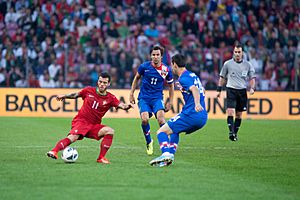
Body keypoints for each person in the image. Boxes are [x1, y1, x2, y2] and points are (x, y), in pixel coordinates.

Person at [46, 72, 133, 164]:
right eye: (100, 82)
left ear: (108, 84)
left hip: (94, 125)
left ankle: (101, 158)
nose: (102, 84)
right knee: (73, 137)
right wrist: (64, 96)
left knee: (110, 131)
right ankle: (54, 151)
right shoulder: (88, 90)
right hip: (81, 121)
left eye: (104, 83)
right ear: (97, 82)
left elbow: (121, 105)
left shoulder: (111, 98)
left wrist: (127, 106)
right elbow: (75, 95)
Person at [149, 54, 208, 167]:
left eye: (172, 64)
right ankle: (170, 154)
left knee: (161, 131)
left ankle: (165, 154)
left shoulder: (183, 78)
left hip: (191, 114)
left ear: (175, 64)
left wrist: (196, 103)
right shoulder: (193, 75)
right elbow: (202, 90)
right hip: (202, 117)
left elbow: (195, 90)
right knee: (174, 130)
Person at [129, 45, 174, 155]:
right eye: (153, 55)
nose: (155, 57)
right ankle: (149, 141)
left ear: (161, 56)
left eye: (157, 55)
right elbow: (136, 78)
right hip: (144, 98)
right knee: (144, 119)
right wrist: (131, 93)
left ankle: (166, 144)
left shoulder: (166, 69)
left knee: (161, 120)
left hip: (157, 98)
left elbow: (171, 85)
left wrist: (171, 101)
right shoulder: (144, 67)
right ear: (150, 56)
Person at [217, 43, 256, 141]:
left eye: (239, 52)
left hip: (242, 91)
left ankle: (235, 133)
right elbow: (222, 77)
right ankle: (231, 132)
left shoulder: (248, 65)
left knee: (239, 114)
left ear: (242, 53)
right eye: (236, 52)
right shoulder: (227, 64)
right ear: (233, 53)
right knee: (230, 111)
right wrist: (219, 90)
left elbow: (252, 78)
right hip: (231, 89)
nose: (237, 54)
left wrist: (252, 88)